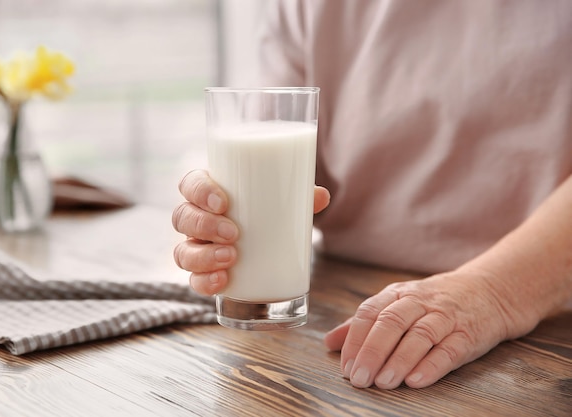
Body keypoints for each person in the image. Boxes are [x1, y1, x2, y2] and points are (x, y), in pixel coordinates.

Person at [172, 0, 572, 389]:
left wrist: (496, 291)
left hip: (541, 311)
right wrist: (213, 203)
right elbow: (266, 142)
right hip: (341, 294)